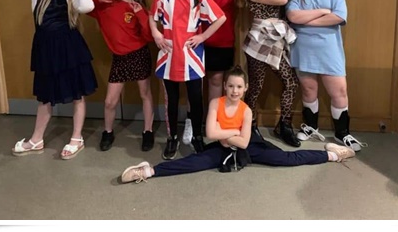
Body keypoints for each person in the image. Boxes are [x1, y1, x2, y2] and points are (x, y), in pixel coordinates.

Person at [119, 65, 355, 184]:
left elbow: (243, 142)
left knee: (286, 159)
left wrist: (225, 134)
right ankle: (148, 170)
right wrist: (231, 133)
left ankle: (332, 154)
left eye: (239, 87)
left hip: (250, 145)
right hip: (224, 145)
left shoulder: (246, 110)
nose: (234, 90)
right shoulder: (216, 103)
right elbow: (210, 132)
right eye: (230, 86)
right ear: (225, 87)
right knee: (194, 163)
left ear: (245, 89)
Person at [9, 0, 98, 159]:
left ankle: (76, 138)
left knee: (77, 95)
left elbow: (87, 6)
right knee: (45, 97)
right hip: (46, 52)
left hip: (70, 52)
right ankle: (36, 139)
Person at [149, 0, 227, 160]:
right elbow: (152, 16)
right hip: (168, 52)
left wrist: (202, 36)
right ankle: (172, 137)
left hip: (192, 55)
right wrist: (156, 33)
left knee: (195, 98)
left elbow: (220, 17)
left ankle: (197, 136)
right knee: (171, 100)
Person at [286, 0, 367, 152]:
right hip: (303, 51)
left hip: (330, 52)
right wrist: (323, 11)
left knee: (339, 92)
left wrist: (306, 21)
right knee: (308, 91)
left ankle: (342, 132)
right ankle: (311, 127)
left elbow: (339, 17)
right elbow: (293, 16)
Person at [88, 0, 156, 152]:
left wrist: (140, 14)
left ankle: (148, 131)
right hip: (119, 58)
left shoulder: (140, 8)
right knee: (110, 101)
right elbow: (82, 3)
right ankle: (108, 132)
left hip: (139, 55)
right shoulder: (106, 5)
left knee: (145, 94)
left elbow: (149, 37)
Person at [240, 0, 301, 147]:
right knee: (255, 87)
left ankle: (284, 125)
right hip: (258, 43)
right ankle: (250, 126)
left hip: (276, 42)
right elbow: (281, 0)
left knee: (291, 82)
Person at [180, 0, 238, 145]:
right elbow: (196, 0)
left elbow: (218, 1)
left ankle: (212, 122)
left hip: (221, 39)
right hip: (196, 38)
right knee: (193, 82)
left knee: (215, 81)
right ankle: (192, 120)